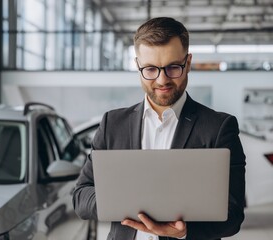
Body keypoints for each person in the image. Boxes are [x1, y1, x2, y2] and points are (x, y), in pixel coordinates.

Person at [72, 17, 246, 240]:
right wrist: (124, 203)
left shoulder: (220, 127)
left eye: (173, 67)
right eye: (151, 69)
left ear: (188, 62)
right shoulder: (112, 125)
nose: (162, 80)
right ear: (138, 66)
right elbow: (81, 195)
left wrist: (186, 232)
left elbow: (232, 217)